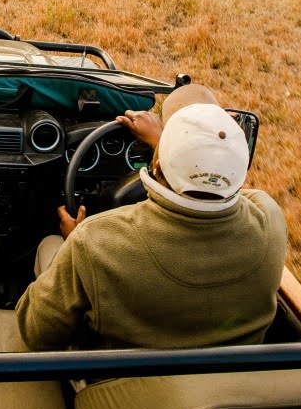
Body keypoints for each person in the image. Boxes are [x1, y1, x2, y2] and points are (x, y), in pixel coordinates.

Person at [16, 84, 287, 352]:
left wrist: (73, 242)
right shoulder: (270, 219)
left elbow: (36, 333)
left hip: (114, 387)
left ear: (156, 165)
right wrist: (170, 147)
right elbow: (213, 185)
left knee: (51, 243)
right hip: (227, 382)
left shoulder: (92, 242)